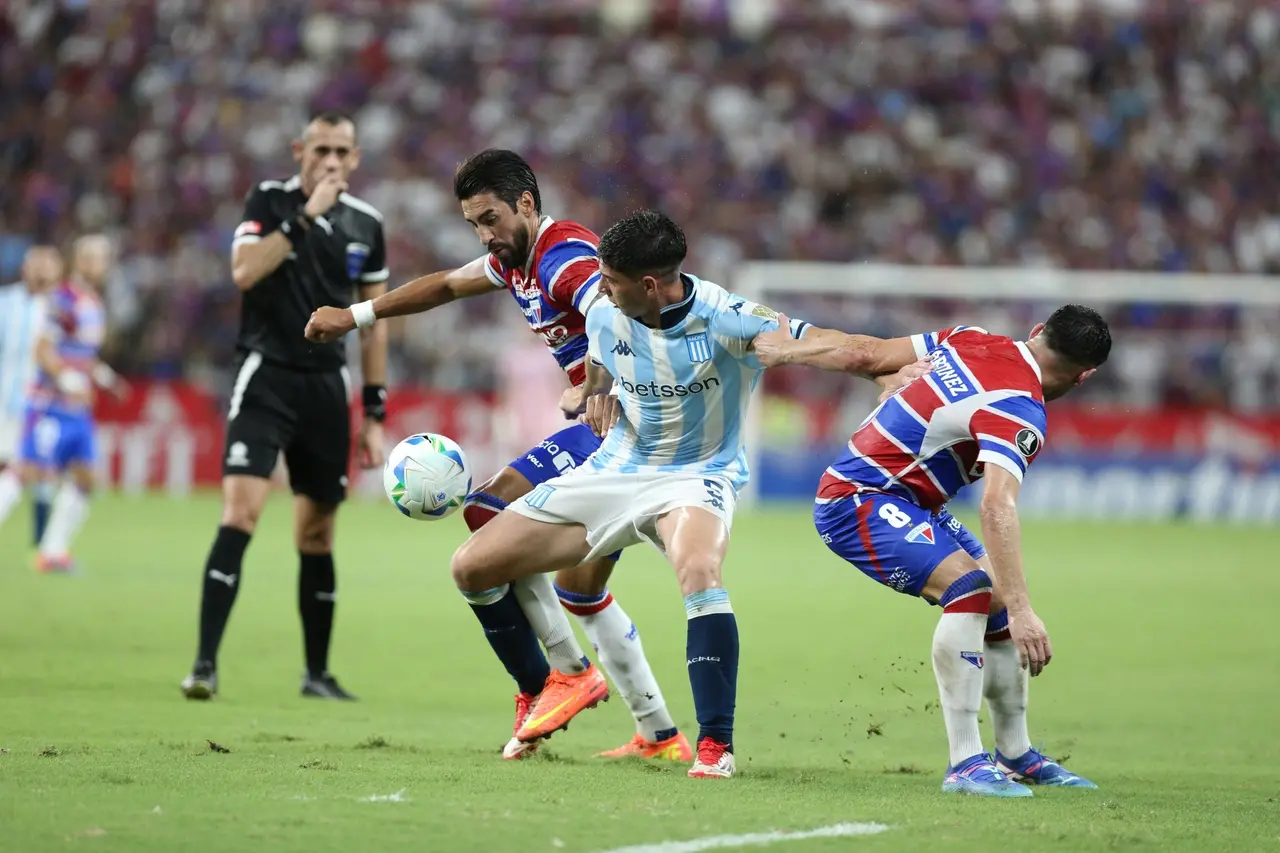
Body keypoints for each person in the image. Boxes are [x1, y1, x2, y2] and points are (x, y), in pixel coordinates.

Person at [447, 209, 882, 779]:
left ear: (650, 285)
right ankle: (557, 680)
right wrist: (591, 395)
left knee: (699, 570)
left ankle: (715, 747)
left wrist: (894, 365)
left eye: (611, 281)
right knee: (471, 567)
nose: (599, 291)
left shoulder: (728, 317)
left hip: (696, 475)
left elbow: (833, 344)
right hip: (614, 470)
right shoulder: (606, 312)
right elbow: (599, 364)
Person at [306, 150, 691, 761]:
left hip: (626, 432)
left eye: (491, 219)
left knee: (486, 511)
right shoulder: (515, 260)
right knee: (580, 589)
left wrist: (595, 384)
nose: (485, 235)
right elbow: (446, 285)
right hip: (627, 433)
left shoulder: (562, 257)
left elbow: (607, 310)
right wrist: (355, 315)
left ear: (526, 204)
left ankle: (564, 675)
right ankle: (660, 736)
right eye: (474, 225)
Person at [750, 305, 1110, 796]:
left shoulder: (969, 337)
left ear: (1037, 331)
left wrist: (791, 351)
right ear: (1084, 376)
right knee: (972, 589)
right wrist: (1026, 610)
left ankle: (1015, 755)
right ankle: (965, 762)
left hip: (913, 501)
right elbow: (997, 506)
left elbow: (868, 352)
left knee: (996, 601)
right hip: (858, 498)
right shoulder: (1020, 409)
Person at [181, 111, 389, 702]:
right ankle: (203, 666)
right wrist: (306, 217)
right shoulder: (269, 200)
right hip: (266, 377)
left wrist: (374, 413)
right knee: (241, 512)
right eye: (321, 149)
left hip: (327, 387)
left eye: (341, 151)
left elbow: (375, 323)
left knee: (318, 533)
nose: (331, 160)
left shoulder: (368, 223)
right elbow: (245, 271)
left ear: (356, 157)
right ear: (300, 150)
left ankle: (316, 675)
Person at [2, 237, 125, 572]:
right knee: (25, 472)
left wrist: (105, 377)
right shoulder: (64, 299)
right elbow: (42, 349)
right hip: (51, 405)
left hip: (77, 411)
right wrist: (68, 380)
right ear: (79, 260)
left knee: (86, 477)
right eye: (93, 257)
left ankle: (52, 553)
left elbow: (81, 353)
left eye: (103, 257)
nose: (100, 263)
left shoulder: (92, 302)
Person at [0, 245, 62, 546]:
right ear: (24, 269)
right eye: (36, 265)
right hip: (7, 402)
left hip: (44, 405)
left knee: (43, 471)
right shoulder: (5, 302)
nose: (41, 271)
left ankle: (41, 544)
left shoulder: (60, 309)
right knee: (16, 470)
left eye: (47, 266)